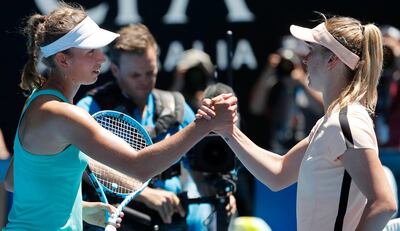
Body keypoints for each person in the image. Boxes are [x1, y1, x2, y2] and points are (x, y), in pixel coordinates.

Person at [3, 2, 237, 230]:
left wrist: (80, 208)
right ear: (63, 60)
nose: (101, 58)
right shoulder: (63, 115)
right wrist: (204, 124)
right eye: (90, 51)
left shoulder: (38, 102)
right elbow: (140, 167)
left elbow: (14, 181)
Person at [197, 13, 397, 230]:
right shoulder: (330, 123)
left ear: (332, 60)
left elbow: (384, 203)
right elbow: (278, 173)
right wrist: (228, 131)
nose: (304, 59)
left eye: (311, 51)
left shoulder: (346, 122)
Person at [76, 24, 234, 230]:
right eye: (135, 75)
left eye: (150, 72)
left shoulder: (176, 107)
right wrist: (146, 194)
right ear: (115, 70)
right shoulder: (90, 109)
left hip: (172, 221)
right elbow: (77, 165)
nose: (144, 81)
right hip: (118, 221)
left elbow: (198, 169)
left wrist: (218, 195)